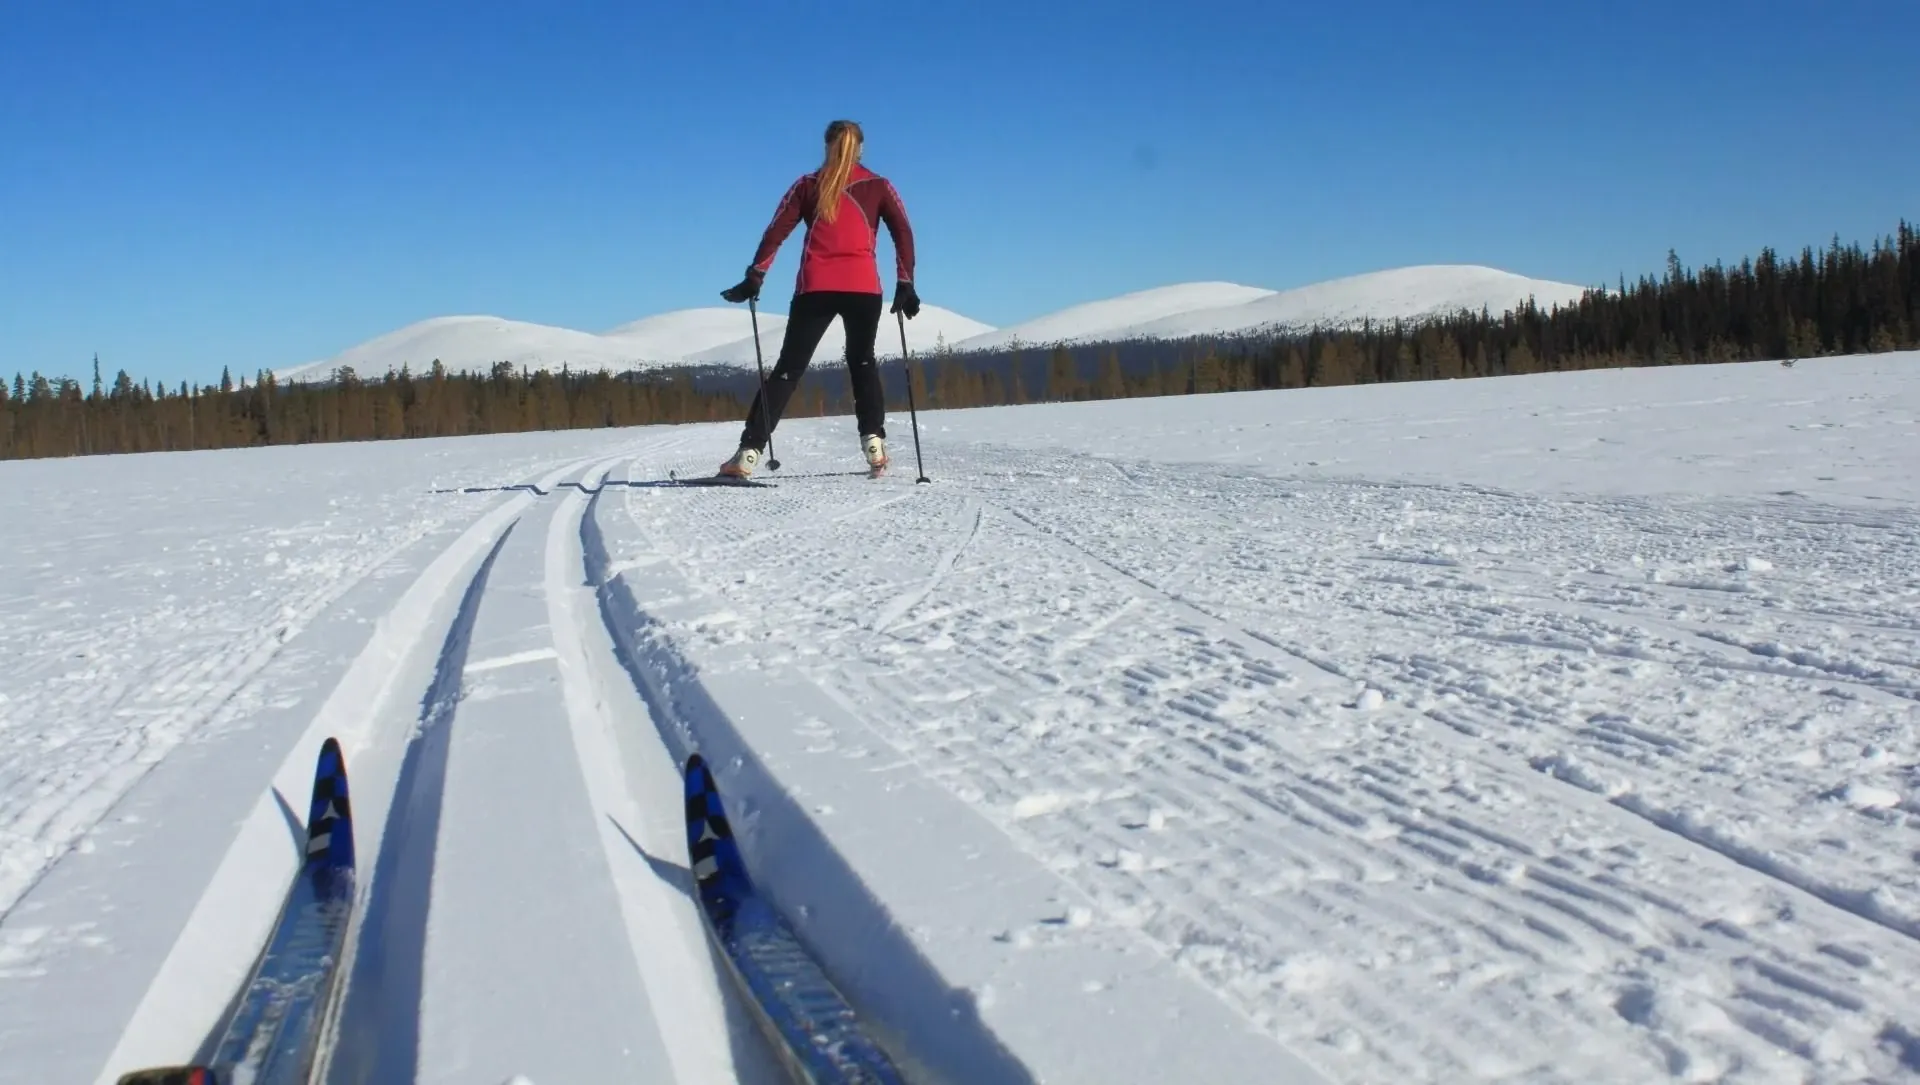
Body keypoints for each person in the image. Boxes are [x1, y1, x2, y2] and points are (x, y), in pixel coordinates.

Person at [716, 119, 920, 478]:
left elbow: (776, 230)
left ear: (826, 146)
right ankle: (874, 445)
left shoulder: (808, 185)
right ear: (860, 149)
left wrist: (755, 276)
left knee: (788, 369)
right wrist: (906, 283)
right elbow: (903, 231)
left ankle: (748, 454)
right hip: (863, 289)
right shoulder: (879, 186)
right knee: (862, 362)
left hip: (815, 288)